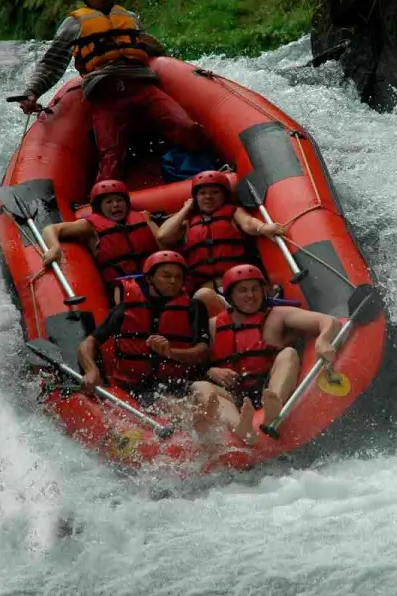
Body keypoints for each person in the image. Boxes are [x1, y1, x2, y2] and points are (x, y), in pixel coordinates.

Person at [16, 0, 206, 182]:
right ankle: (105, 202)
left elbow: (151, 48)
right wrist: (32, 92)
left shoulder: (130, 17)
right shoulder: (74, 24)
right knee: (111, 156)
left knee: (186, 127)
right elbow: (52, 62)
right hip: (105, 95)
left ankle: (205, 171)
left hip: (142, 87)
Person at [190, 264, 340, 444]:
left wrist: (323, 340)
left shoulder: (277, 315)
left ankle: (273, 407)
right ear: (230, 295)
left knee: (288, 353)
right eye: (243, 290)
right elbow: (196, 365)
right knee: (199, 385)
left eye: (255, 289)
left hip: (266, 387)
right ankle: (240, 427)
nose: (250, 295)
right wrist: (210, 371)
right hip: (233, 393)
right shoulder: (213, 325)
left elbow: (328, 321)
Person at [76, 251, 210, 416]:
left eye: (178, 277)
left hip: (174, 384)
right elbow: (88, 343)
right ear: (149, 278)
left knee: (175, 402)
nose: (173, 281)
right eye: (166, 276)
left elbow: (202, 352)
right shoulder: (127, 308)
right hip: (131, 386)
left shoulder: (194, 308)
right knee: (164, 404)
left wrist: (171, 352)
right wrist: (91, 370)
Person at [41, 179, 187, 296]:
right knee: (128, 290)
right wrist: (55, 248)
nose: (115, 205)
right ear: (99, 207)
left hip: (153, 282)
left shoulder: (143, 218)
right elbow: (51, 229)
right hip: (122, 288)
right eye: (109, 202)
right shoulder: (89, 226)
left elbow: (161, 245)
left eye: (119, 200)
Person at [172, 170, 285, 315]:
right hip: (207, 293)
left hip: (238, 286)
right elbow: (163, 235)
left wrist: (263, 228)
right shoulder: (188, 223)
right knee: (202, 296)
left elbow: (248, 223)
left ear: (224, 195)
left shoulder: (233, 212)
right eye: (202, 193)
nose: (208, 197)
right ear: (195, 198)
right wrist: (186, 208)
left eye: (214, 192)